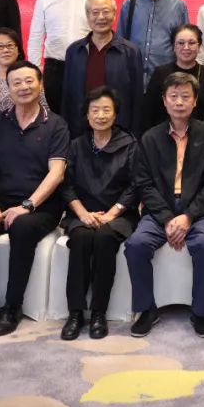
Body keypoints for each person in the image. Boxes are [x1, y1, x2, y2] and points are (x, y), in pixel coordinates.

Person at [0, 61, 69, 337]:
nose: (23, 87)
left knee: (22, 227)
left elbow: (57, 173)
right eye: (16, 83)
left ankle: (12, 306)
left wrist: (27, 205)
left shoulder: (55, 124)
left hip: (41, 205)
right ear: (8, 89)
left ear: (40, 84)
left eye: (29, 81)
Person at [126, 72, 204, 338]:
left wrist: (188, 216)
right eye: (174, 96)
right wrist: (169, 218)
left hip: (197, 211)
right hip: (160, 211)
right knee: (136, 245)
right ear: (164, 100)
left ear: (195, 101)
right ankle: (147, 309)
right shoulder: (150, 138)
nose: (179, 102)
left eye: (185, 96)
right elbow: (144, 184)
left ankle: (200, 312)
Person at [59, 86, 140, 341]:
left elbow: (135, 186)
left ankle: (98, 313)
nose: (101, 115)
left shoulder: (129, 145)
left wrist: (112, 214)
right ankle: (75, 313)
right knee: (82, 239)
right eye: (95, 110)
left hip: (119, 215)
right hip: (81, 213)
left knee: (104, 238)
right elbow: (66, 185)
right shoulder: (76, 145)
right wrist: (82, 213)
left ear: (115, 114)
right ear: (87, 115)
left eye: (107, 110)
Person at [62, 0, 143, 138]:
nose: (100, 17)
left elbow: (137, 99)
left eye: (106, 12)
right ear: (87, 15)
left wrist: (134, 135)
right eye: (95, 12)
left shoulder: (130, 51)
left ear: (114, 15)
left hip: (119, 130)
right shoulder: (74, 50)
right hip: (81, 130)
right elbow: (67, 96)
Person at [25, 0, 93, 114]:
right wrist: (34, 71)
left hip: (85, 65)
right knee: (54, 115)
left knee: (83, 114)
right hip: (54, 68)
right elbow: (36, 38)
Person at [118, 0, 190, 88]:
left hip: (167, 77)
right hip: (133, 76)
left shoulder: (178, 5)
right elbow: (120, 41)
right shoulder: (130, 3)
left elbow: (184, 43)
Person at [144, 24, 204, 131]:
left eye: (191, 43)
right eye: (181, 43)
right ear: (173, 47)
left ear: (199, 46)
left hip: (200, 136)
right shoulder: (160, 73)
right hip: (163, 136)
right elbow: (148, 112)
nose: (186, 47)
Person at [0, 27, 48, 127]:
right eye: (0, 46)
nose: (5, 50)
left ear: (18, 50)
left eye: (10, 45)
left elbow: (45, 111)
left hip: (27, 133)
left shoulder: (31, 77)